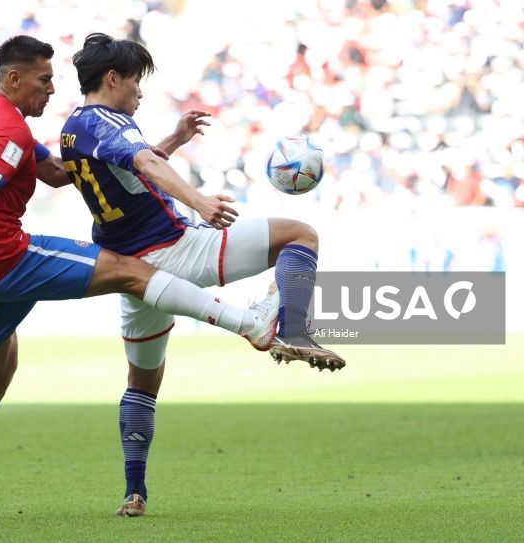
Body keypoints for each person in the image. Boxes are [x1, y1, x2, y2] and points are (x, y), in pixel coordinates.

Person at [0, 34, 284, 519]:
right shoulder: (9, 131)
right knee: (131, 271)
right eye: (43, 79)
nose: (53, 89)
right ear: (14, 77)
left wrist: (163, 145)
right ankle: (249, 323)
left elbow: (61, 173)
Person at [61, 32, 346, 517]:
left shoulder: (74, 129)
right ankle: (291, 329)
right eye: (135, 81)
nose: (139, 92)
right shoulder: (108, 121)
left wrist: (174, 138)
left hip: (132, 270)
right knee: (300, 235)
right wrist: (200, 201)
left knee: (142, 383)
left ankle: (134, 492)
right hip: (177, 248)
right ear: (112, 79)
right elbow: (144, 162)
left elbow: (131, 173)